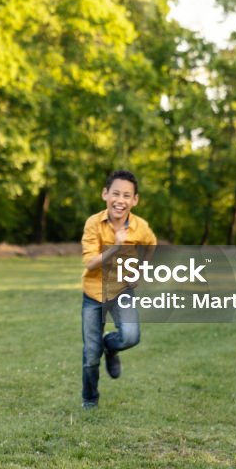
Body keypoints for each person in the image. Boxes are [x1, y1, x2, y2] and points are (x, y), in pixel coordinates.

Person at [79, 169, 157, 408]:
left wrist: (140, 270)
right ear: (105, 194)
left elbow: (151, 244)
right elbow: (90, 262)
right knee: (91, 355)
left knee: (131, 336)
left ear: (135, 200)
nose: (120, 200)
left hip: (122, 290)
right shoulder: (94, 223)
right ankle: (90, 400)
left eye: (126, 195)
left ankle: (110, 348)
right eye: (115, 194)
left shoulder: (140, 226)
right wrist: (115, 246)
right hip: (94, 294)